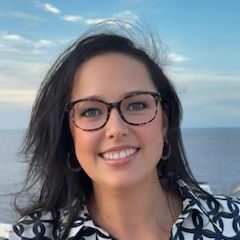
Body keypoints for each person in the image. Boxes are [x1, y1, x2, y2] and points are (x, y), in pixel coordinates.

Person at [8, 21, 240, 240]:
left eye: (137, 105)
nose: (116, 129)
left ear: (164, 121)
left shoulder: (232, 222)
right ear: (68, 134)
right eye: (90, 111)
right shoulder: (33, 235)